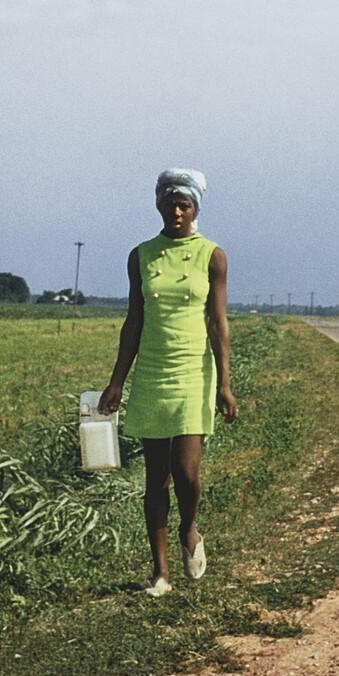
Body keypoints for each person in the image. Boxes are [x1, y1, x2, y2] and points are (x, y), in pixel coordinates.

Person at [96, 167, 237, 597]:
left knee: (186, 471)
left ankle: (189, 529)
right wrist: (117, 380)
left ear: (195, 208)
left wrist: (224, 384)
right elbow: (133, 320)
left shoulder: (212, 255)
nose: (176, 211)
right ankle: (160, 575)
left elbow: (218, 322)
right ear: (158, 204)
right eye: (170, 203)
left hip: (194, 371)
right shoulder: (141, 255)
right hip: (153, 371)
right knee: (156, 477)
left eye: (184, 204)